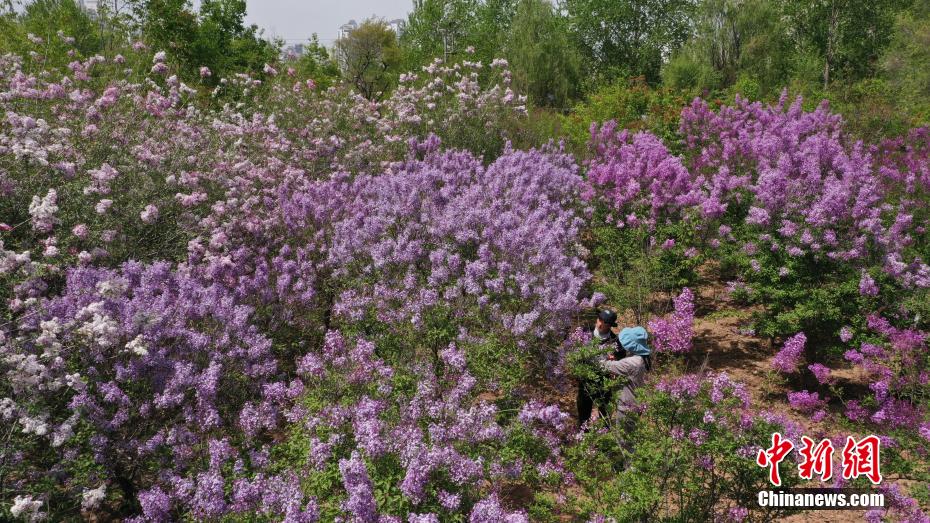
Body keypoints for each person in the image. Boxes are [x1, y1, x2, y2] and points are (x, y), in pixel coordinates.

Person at [577, 317, 653, 429]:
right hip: (637, 403)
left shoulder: (631, 363)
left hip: (627, 407)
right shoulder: (642, 358)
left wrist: (587, 355)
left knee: (624, 440)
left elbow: (603, 365)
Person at [576, 309, 624, 427]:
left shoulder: (615, 340)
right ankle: (584, 435)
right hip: (586, 378)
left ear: (610, 325)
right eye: (599, 320)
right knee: (584, 410)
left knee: (605, 410)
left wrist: (615, 358)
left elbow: (621, 355)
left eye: (605, 322)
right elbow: (572, 349)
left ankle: (605, 436)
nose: (600, 324)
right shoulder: (585, 332)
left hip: (604, 380)